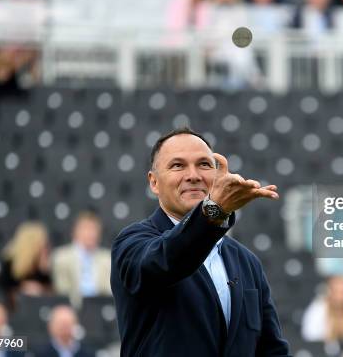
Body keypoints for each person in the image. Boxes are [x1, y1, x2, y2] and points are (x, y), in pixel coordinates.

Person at [110, 127, 290, 356]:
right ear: (154, 182)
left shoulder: (247, 262)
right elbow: (168, 260)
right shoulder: (132, 243)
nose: (193, 175)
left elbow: (271, 349)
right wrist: (215, 211)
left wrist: (214, 212)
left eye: (204, 164)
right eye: (178, 165)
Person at [52, 211, 112, 308]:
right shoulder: (61, 257)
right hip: (72, 309)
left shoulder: (108, 258)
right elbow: (62, 291)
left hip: (100, 308)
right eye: (86, 229)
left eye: (94, 229)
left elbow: (109, 290)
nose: (90, 233)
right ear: (75, 232)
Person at [0, 222, 53, 308]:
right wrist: (21, 289)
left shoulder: (43, 267)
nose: (45, 247)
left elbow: (53, 293)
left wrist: (41, 289)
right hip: (15, 308)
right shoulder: (10, 264)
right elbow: (2, 291)